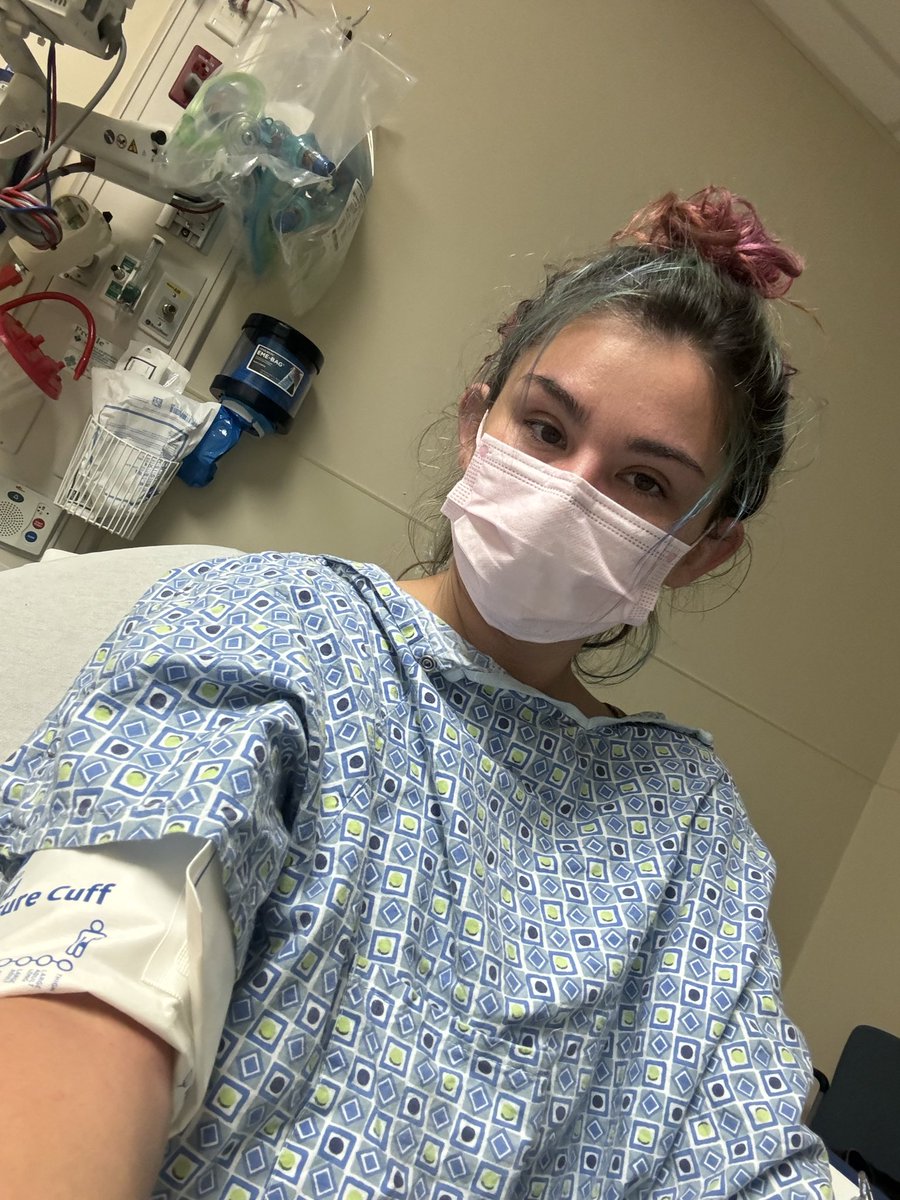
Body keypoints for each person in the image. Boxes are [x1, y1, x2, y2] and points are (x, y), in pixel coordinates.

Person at [0, 187, 830, 1200]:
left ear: (698, 553)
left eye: (644, 483)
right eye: (546, 429)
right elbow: (95, 971)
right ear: (479, 425)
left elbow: (748, 1152)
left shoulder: (689, 828)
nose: (571, 491)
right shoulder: (274, 630)